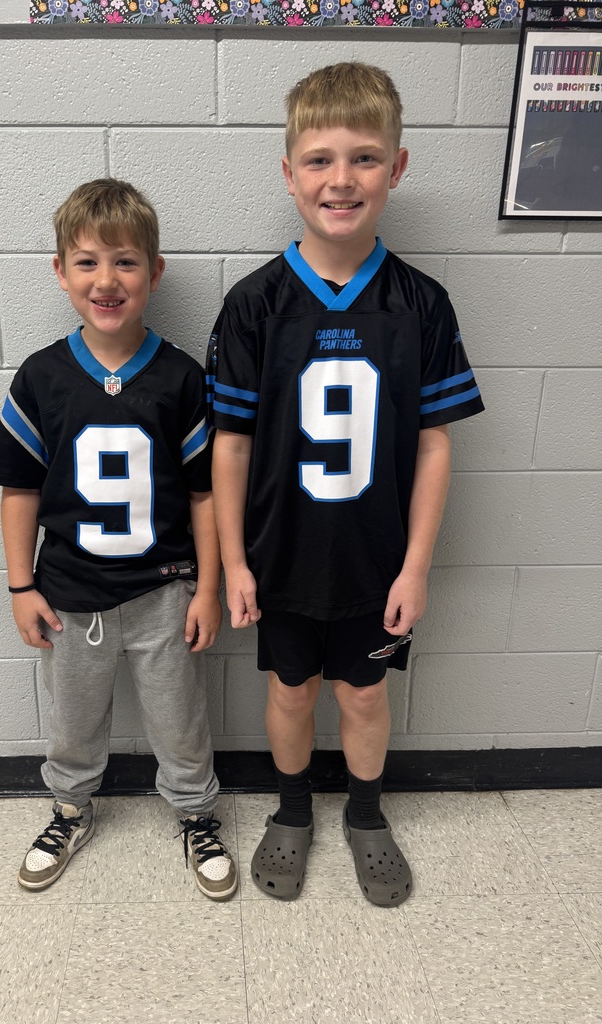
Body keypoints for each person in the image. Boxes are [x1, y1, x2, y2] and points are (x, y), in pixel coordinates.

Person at [208, 63, 484, 906]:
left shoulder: (421, 303)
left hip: (375, 561)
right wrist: (236, 565)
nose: (342, 179)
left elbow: (434, 445)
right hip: (281, 555)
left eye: (364, 158)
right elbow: (229, 448)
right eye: (320, 159)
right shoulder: (255, 305)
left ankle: (365, 814)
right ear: (288, 173)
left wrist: (416, 566)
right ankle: (291, 812)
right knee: (289, 691)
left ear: (397, 168)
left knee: (363, 696)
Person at [0, 178, 236, 900]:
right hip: (68, 593)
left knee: (180, 719)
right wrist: (20, 584)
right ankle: (69, 808)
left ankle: (194, 813)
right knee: (73, 720)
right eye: (87, 261)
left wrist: (208, 590)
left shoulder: (183, 378)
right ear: (60, 272)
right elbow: (20, 488)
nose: (107, 279)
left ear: (154, 273)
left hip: (163, 589)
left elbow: (205, 493)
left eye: (125, 261)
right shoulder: (41, 377)